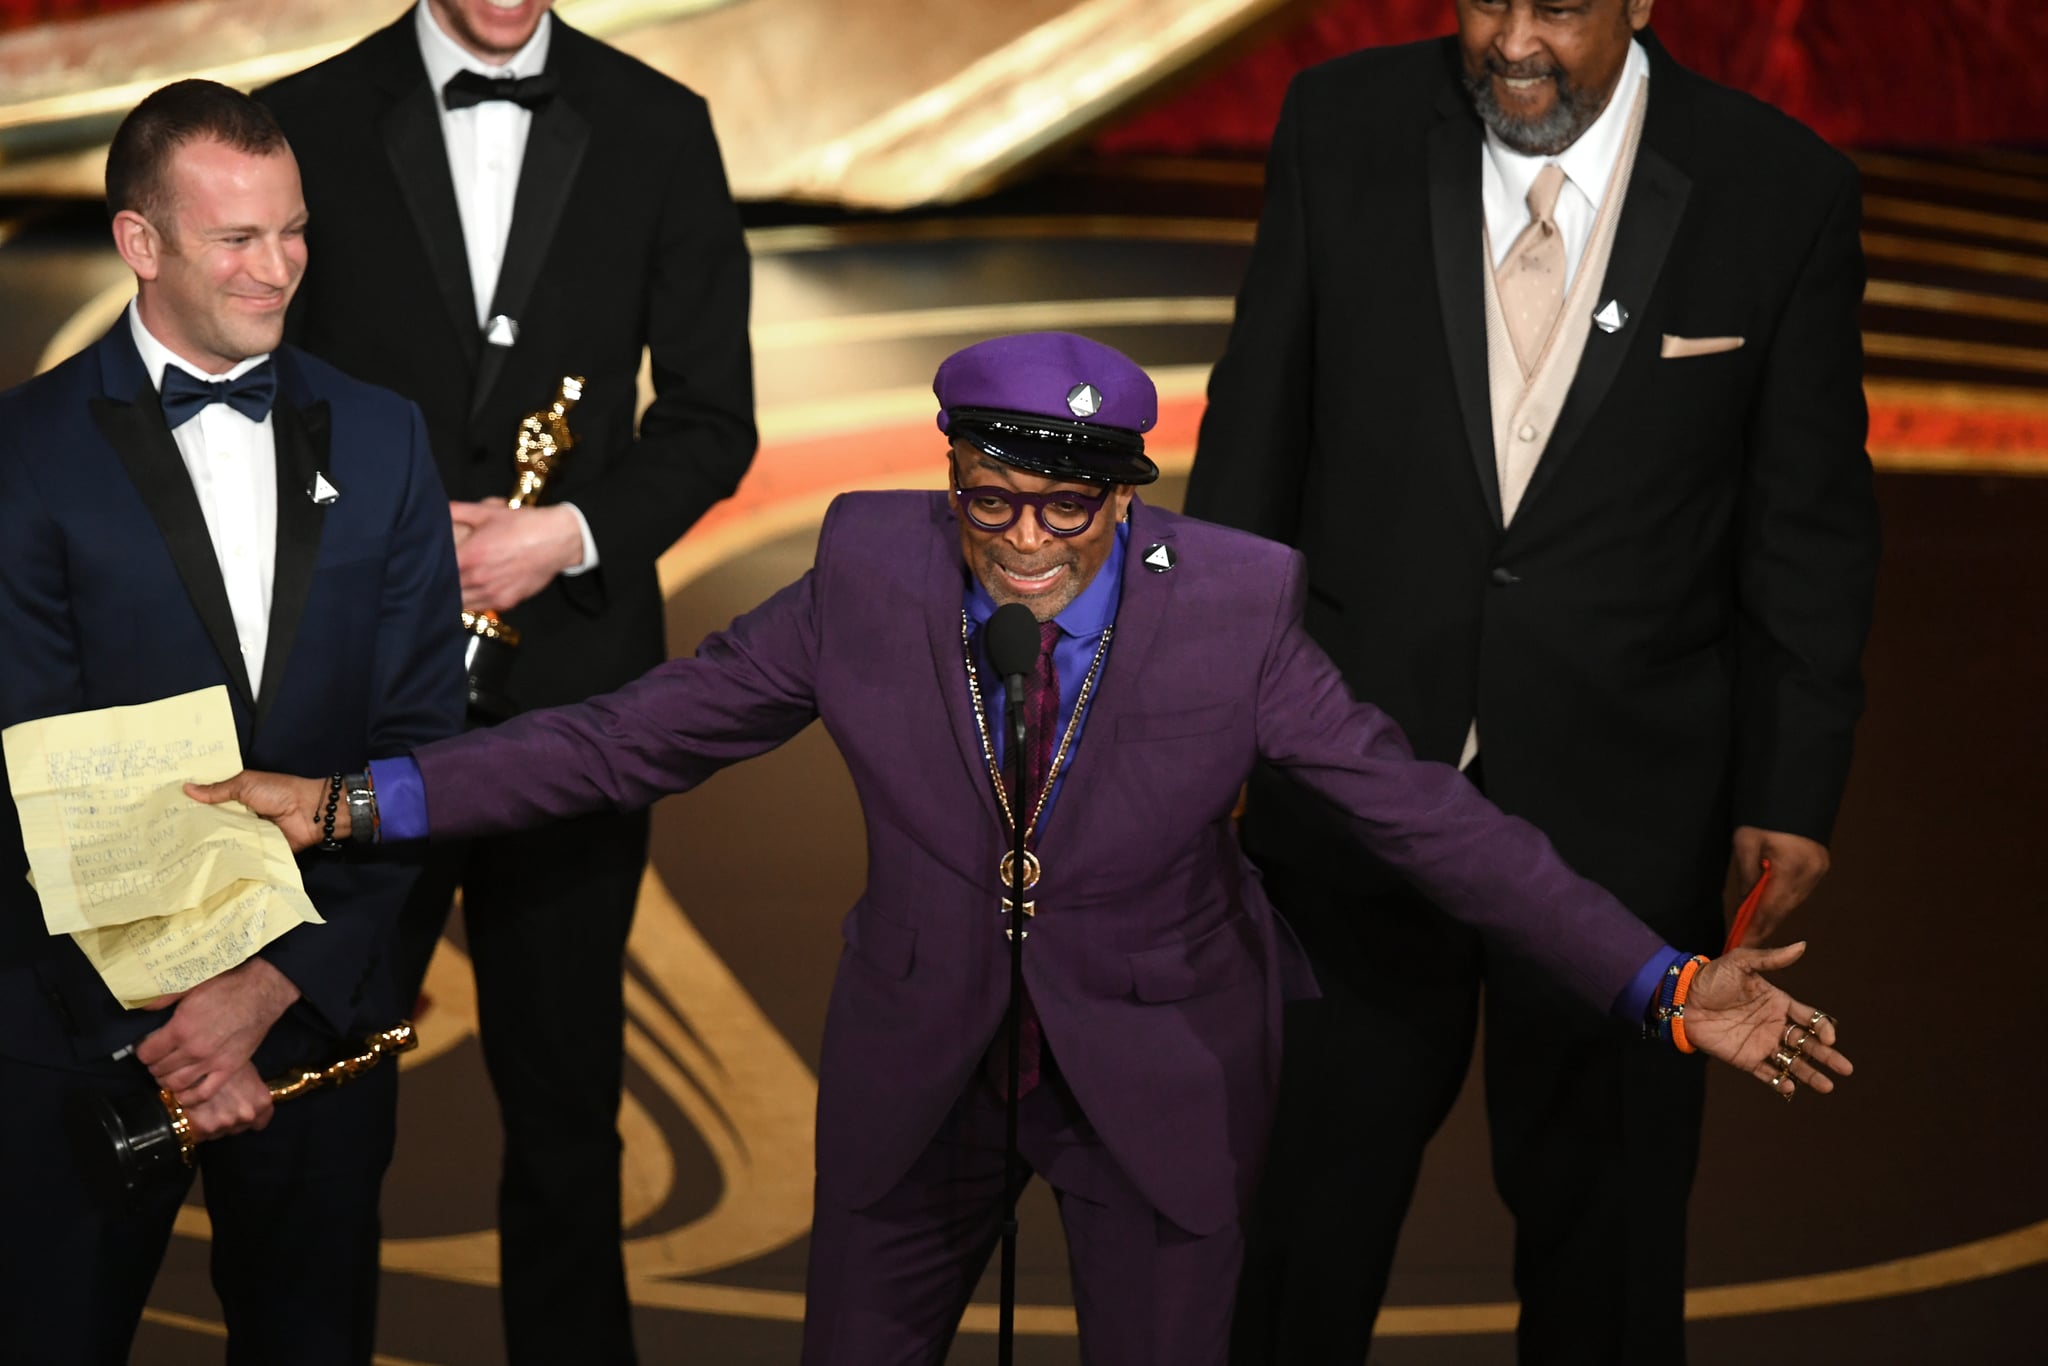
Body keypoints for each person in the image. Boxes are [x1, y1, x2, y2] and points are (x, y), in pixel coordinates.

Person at [195, 331, 1851, 1366]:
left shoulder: (1240, 613)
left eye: (1075, 509)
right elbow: (627, 736)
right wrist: (349, 802)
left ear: (1127, 496)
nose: (1033, 544)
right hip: (921, 1059)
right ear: (949, 479)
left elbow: (1432, 819)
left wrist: (1657, 979)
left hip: (1164, 1069)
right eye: (995, 501)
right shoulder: (869, 573)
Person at [1184, 1, 1883, 1360]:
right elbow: (1252, 440)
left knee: (1607, 1251)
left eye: (1556, 7)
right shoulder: (1342, 128)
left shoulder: (1780, 189)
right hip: (1348, 792)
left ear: (1639, 2)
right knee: (1294, 1241)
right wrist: (1206, 723)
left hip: (1628, 821)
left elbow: (1807, 524)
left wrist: (1795, 787)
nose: (1511, 41)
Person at [256, 2, 756, 1356]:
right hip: (348, 683)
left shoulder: (661, 125)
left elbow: (714, 417)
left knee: (567, 1101)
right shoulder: (299, 118)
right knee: (312, 1088)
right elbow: (250, 384)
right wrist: (401, 533)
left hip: (577, 697)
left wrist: (563, 535)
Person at [0, 81, 463, 1365]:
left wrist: (276, 985)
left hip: (318, 1018)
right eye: (237, 240)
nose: (279, 270)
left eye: (294, 231)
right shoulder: (21, 451)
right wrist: (187, 1011)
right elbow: (27, 759)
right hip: (82, 1029)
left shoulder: (386, 436)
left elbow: (427, 742)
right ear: (140, 243)